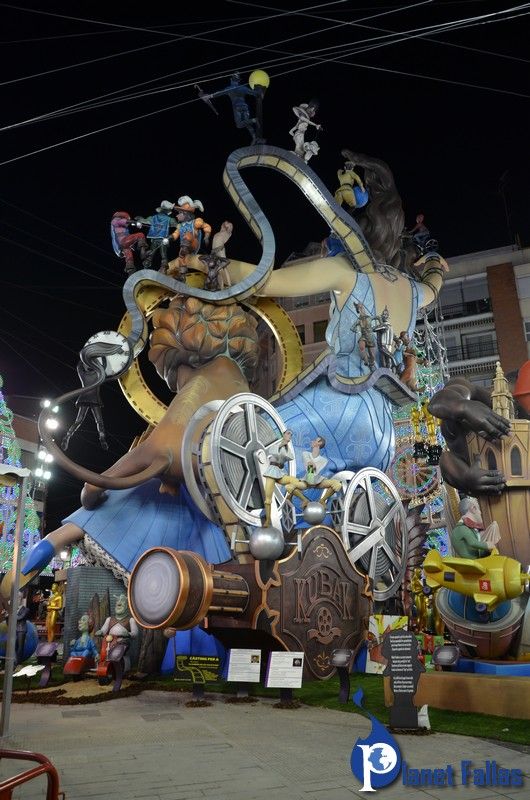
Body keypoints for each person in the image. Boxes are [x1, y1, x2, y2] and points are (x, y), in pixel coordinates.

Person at [5, 149, 446, 593]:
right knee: (272, 476)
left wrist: (213, 265)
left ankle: (221, 566)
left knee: (226, 449)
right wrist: (431, 263)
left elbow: (264, 281)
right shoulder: (413, 291)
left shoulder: (345, 272)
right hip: (379, 429)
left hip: (334, 410)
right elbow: (433, 284)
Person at [167, 196, 211, 279]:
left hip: (194, 244)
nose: (177, 215)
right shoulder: (180, 226)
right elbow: (175, 234)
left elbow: (206, 226)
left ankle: (184, 251)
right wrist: (169, 238)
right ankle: (182, 274)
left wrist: (207, 236)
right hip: (184, 248)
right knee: (181, 256)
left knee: (187, 235)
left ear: (186, 214)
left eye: (180, 213)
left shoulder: (196, 222)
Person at [135, 201, 178, 273]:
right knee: (162, 254)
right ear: (168, 211)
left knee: (154, 254)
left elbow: (145, 220)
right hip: (161, 239)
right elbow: (177, 225)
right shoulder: (169, 219)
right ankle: (161, 268)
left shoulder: (153, 218)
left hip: (158, 240)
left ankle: (148, 267)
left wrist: (140, 219)